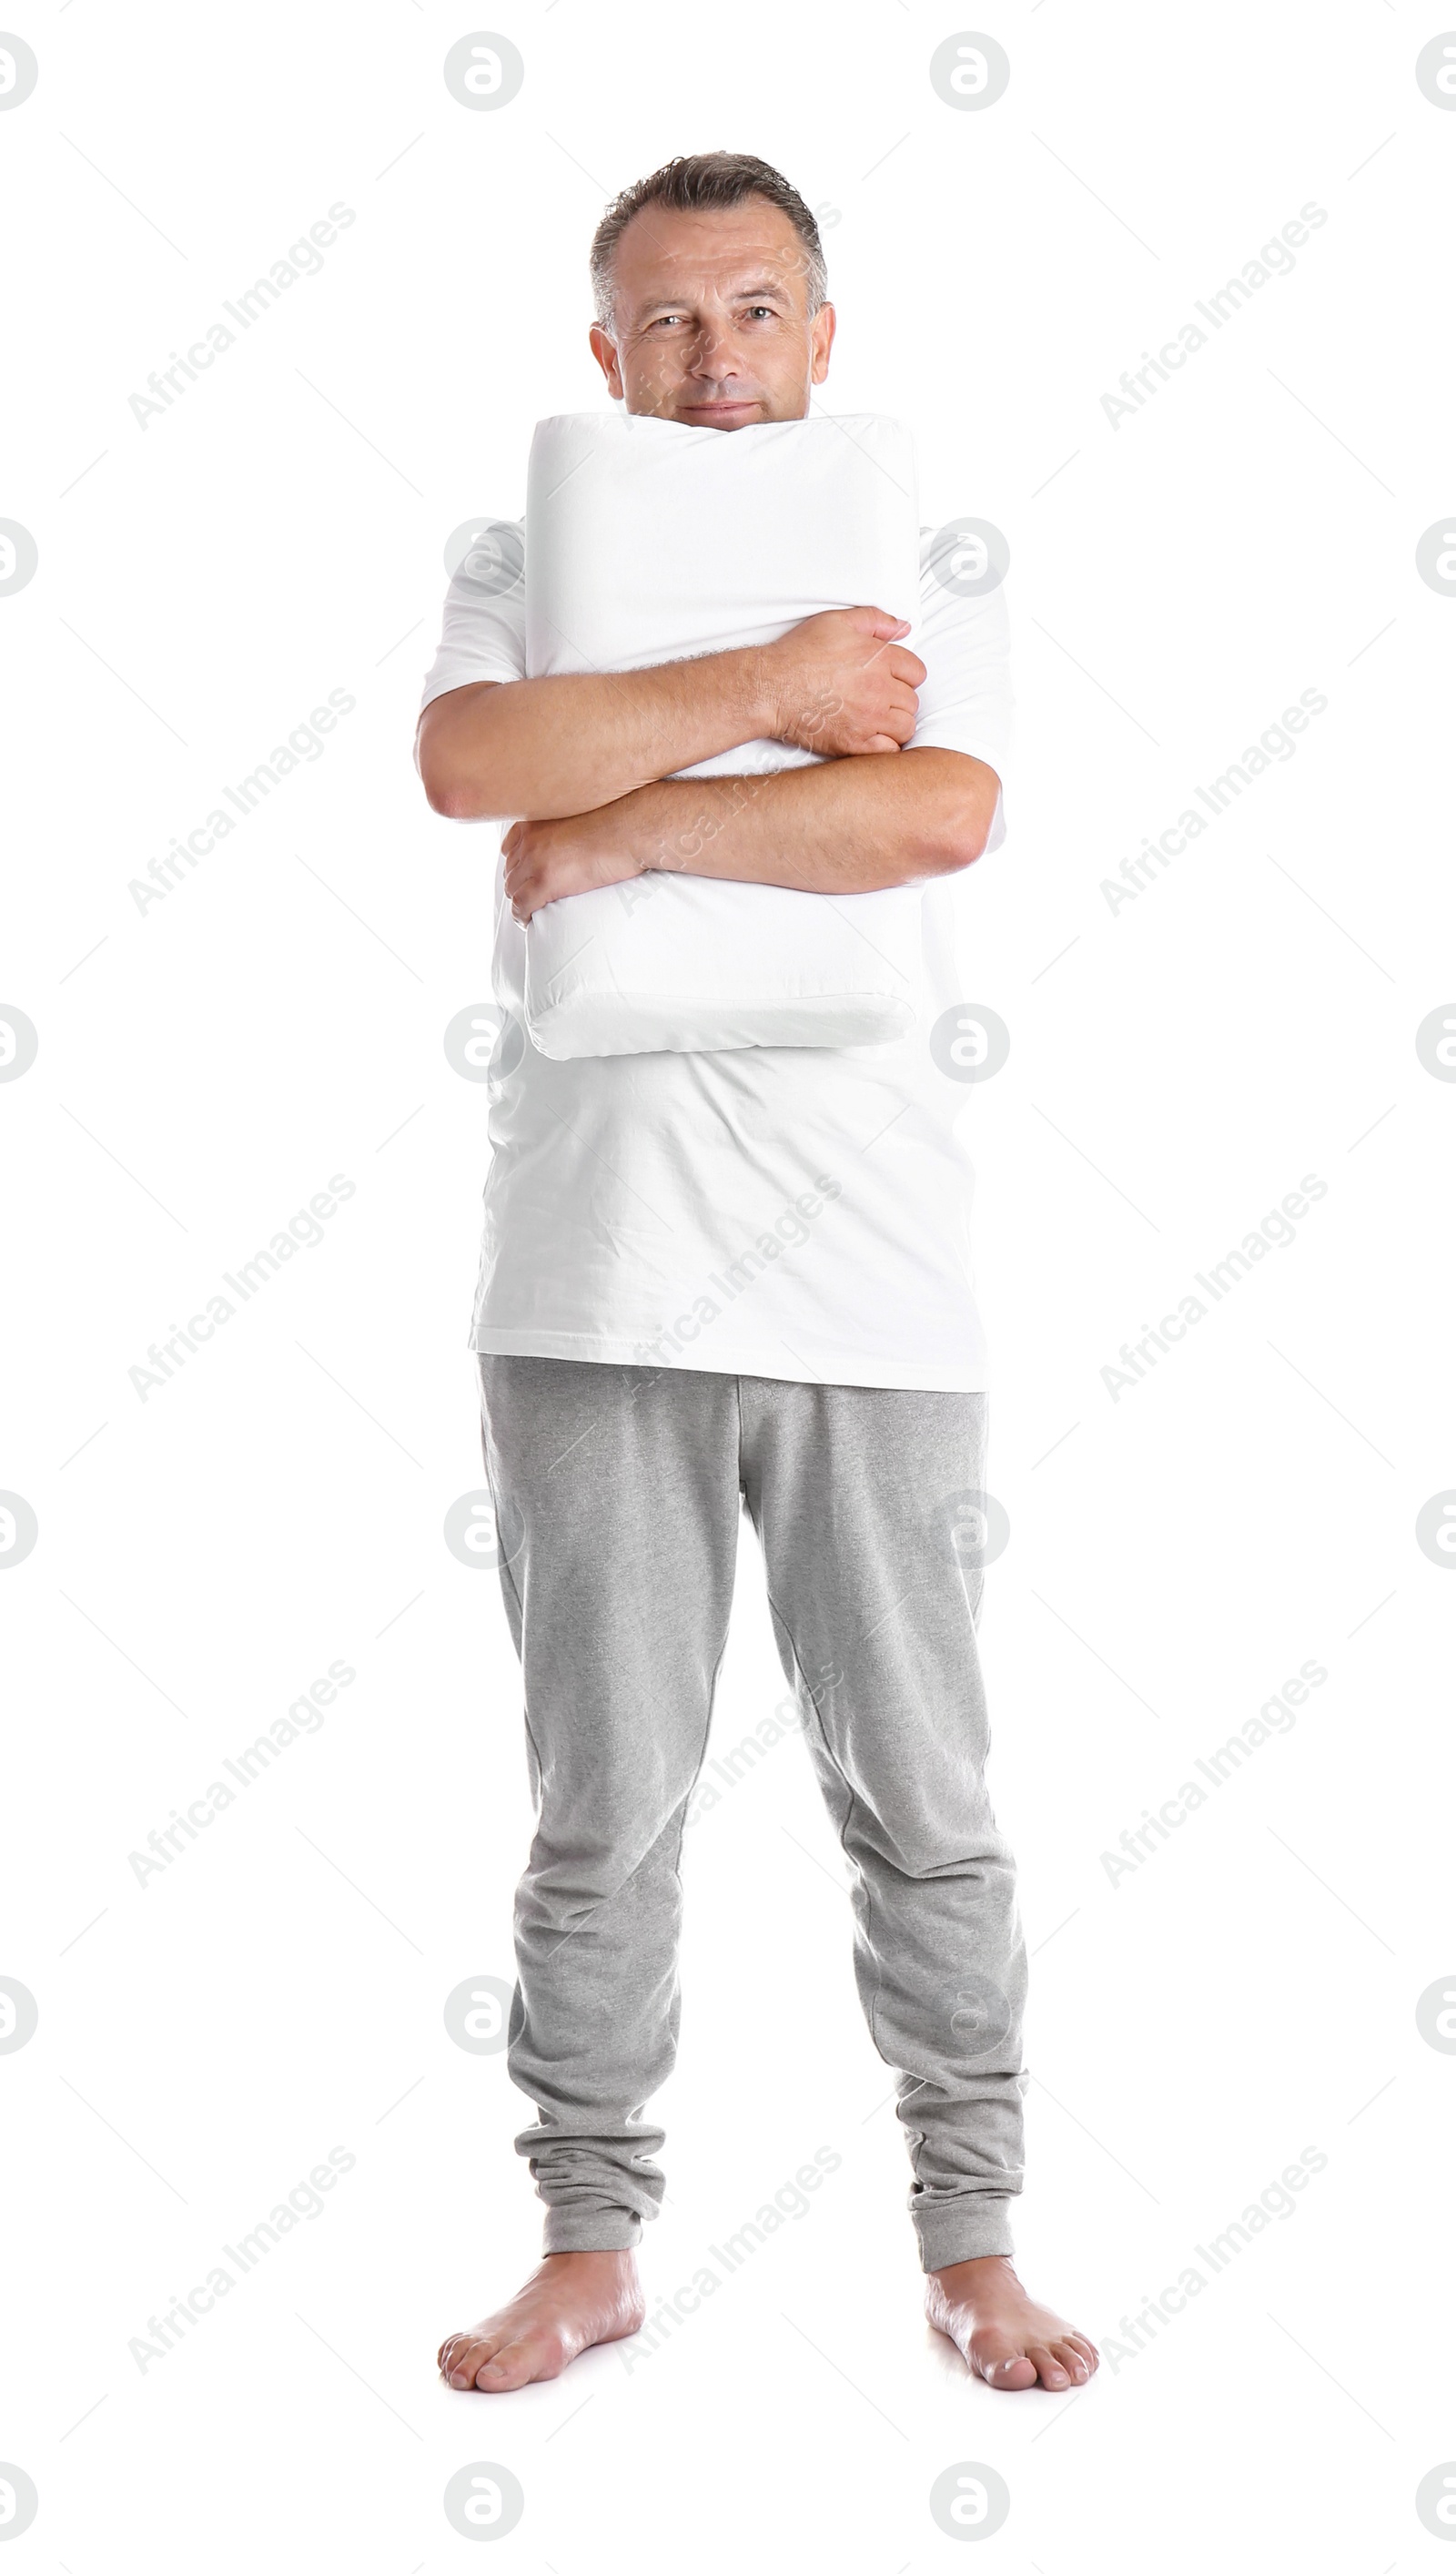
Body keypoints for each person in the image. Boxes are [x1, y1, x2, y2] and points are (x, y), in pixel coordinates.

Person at [417, 151, 1098, 2399]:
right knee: (596, 1800)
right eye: (669, 319)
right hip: (588, 1281)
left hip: (869, 1287)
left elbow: (920, 812)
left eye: (759, 310)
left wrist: (631, 816)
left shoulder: (922, 556)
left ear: (824, 335)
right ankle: (586, 2237)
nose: (716, 359)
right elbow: (473, 759)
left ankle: (972, 2235)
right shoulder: (519, 553)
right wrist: (770, 693)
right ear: (600, 352)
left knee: (922, 1789)